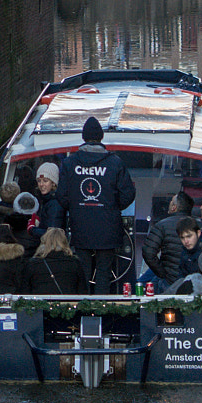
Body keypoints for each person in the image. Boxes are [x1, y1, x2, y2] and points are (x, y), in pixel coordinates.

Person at [55, 116, 138, 294]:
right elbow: (128, 194)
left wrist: (77, 207)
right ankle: (102, 308)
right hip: (108, 226)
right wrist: (112, 207)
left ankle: (82, 308)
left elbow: (61, 196)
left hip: (80, 225)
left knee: (83, 271)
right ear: (101, 137)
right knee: (104, 273)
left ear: (83, 137)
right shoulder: (115, 163)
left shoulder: (69, 163)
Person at [150, 192, 198, 288]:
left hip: (168, 281)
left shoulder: (161, 225)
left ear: (174, 207)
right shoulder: (201, 225)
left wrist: (163, 273)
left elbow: (148, 252)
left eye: (171, 202)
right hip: (195, 282)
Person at [23, 227, 85, 295]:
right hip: (68, 302)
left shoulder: (33, 264)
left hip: (40, 303)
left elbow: (24, 290)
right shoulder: (74, 263)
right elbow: (82, 289)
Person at [32, 162, 66, 234]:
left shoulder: (55, 204)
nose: (41, 184)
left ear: (53, 183)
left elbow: (52, 234)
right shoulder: (45, 200)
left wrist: (32, 229)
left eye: (45, 181)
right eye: (39, 181)